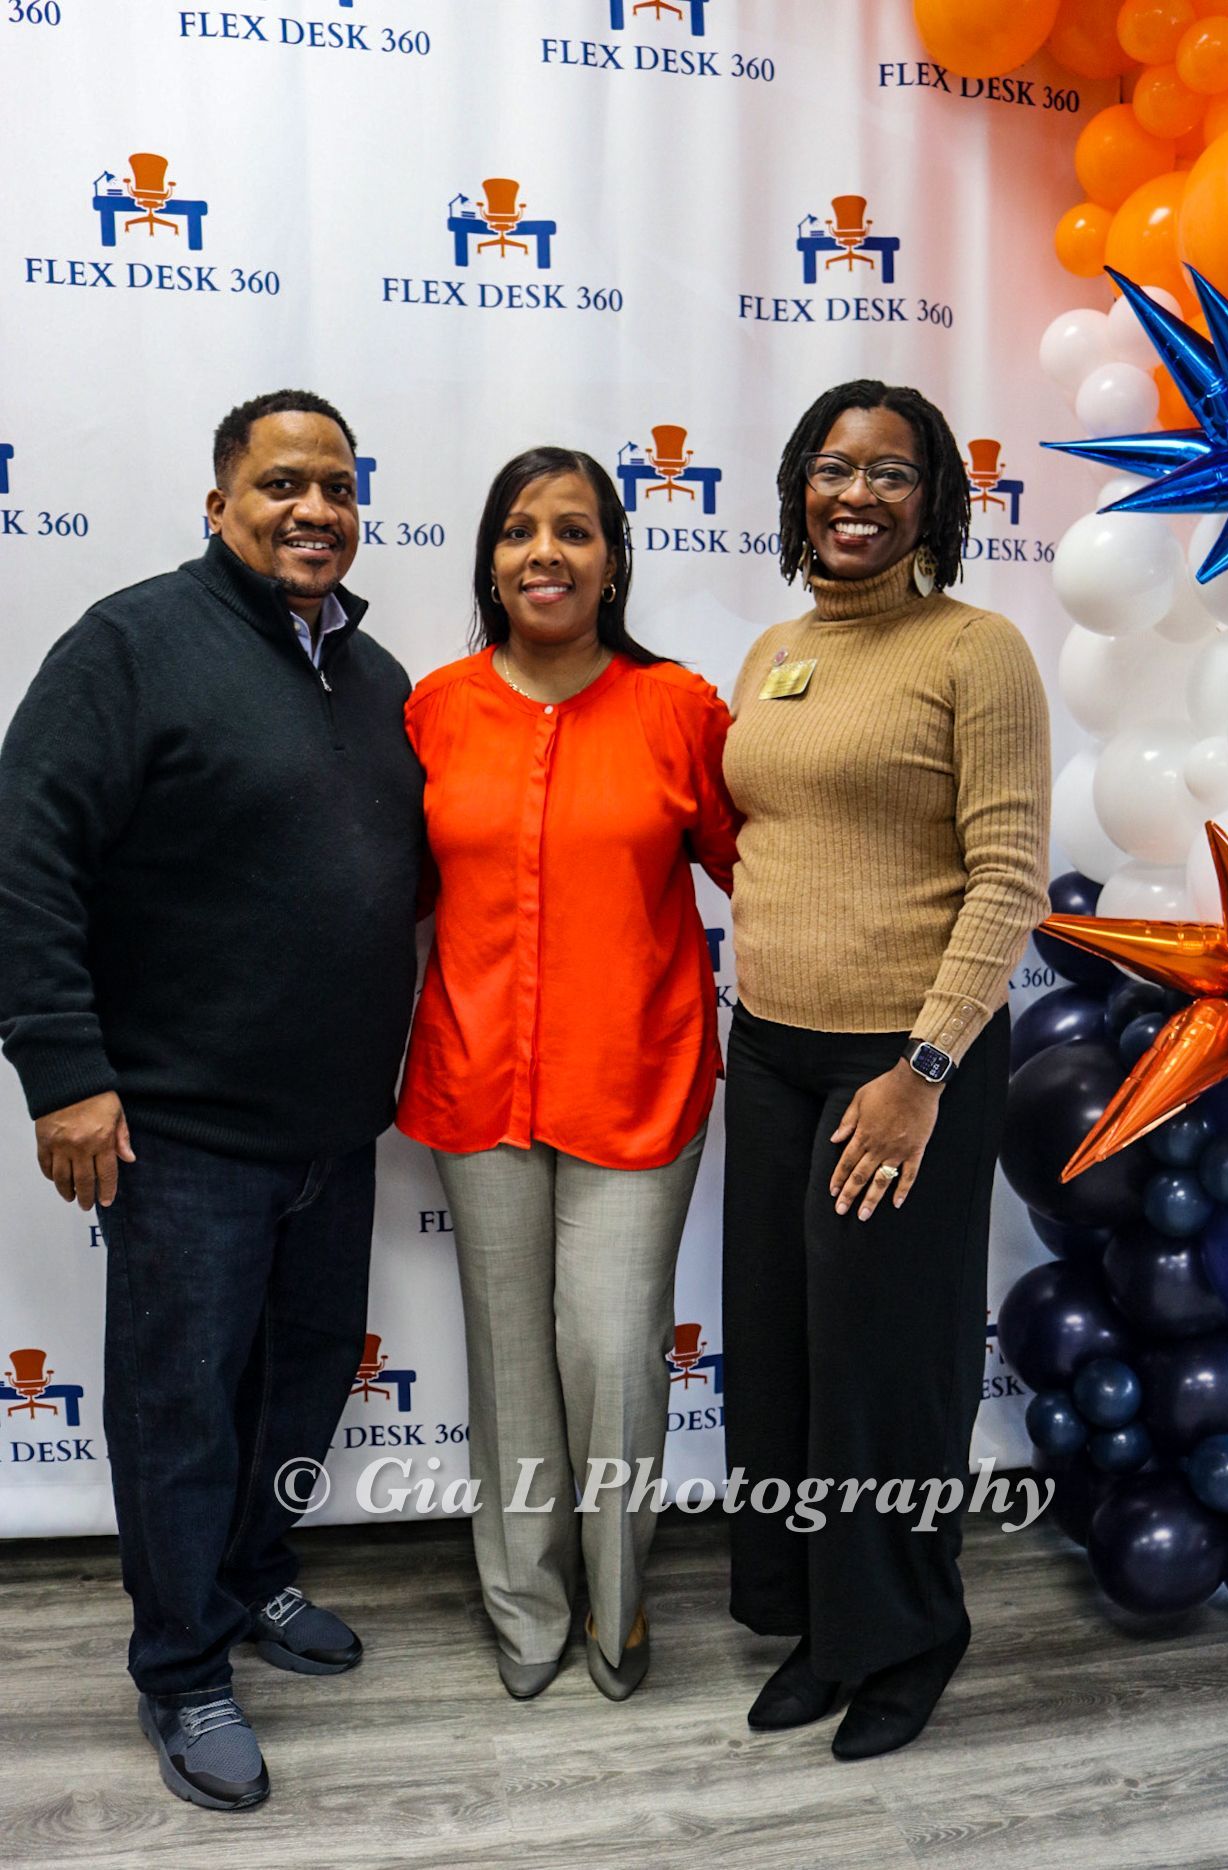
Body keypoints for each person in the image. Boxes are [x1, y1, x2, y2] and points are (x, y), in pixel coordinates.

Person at [0, 390, 424, 1811]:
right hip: (179, 1132)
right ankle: (181, 1667)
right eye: (280, 484)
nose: (313, 509)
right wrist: (64, 1070)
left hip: (332, 1128)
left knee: (296, 1387)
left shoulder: (372, 675)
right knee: (181, 1407)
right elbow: (27, 857)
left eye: (337, 487)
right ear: (219, 503)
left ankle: (253, 1579)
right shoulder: (131, 643)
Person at [721, 381, 1050, 1760]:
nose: (855, 495)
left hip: (904, 1061)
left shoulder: (974, 651)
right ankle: (817, 1618)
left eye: (891, 474)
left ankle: (907, 1633)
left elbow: (1007, 874)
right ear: (798, 484)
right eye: (832, 468)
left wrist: (919, 1066)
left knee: (888, 1371)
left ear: (935, 500)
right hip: (775, 1052)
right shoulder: (772, 649)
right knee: (790, 1362)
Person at [396, 446, 738, 1702]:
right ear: (489, 559)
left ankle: (617, 1597)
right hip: (477, 1080)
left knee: (609, 1350)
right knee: (508, 1356)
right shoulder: (432, 708)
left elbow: (756, 863)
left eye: (575, 530)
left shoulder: (678, 709)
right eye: (519, 530)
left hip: (635, 1080)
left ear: (612, 560)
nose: (545, 551)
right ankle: (524, 1602)